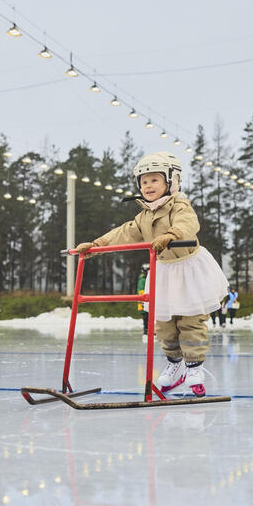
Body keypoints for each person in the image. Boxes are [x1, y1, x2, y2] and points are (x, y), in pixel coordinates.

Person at [75, 151, 229, 397]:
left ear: (171, 181)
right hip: (164, 273)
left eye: (154, 180)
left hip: (189, 270)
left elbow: (189, 223)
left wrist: (171, 235)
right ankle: (175, 363)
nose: (148, 186)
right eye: (144, 181)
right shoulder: (144, 216)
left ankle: (194, 368)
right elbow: (124, 233)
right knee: (164, 324)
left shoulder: (180, 205)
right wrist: (96, 245)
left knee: (190, 321)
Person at [137, 263, 150, 343]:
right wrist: (144, 302)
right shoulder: (143, 280)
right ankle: (146, 332)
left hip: (145, 303)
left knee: (148, 318)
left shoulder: (145, 279)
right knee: (146, 319)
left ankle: (148, 331)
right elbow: (142, 291)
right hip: (144, 304)